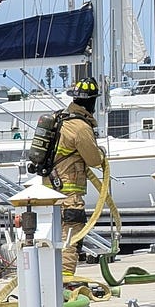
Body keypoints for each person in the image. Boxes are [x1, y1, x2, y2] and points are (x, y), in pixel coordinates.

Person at [48, 76, 105, 280]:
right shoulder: (80, 127)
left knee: (49, 238)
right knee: (69, 239)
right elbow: (93, 159)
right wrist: (101, 153)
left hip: (48, 191)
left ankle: (48, 277)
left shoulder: (57, 119)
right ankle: (65, 282)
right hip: (68, 194)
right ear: (91, 101)